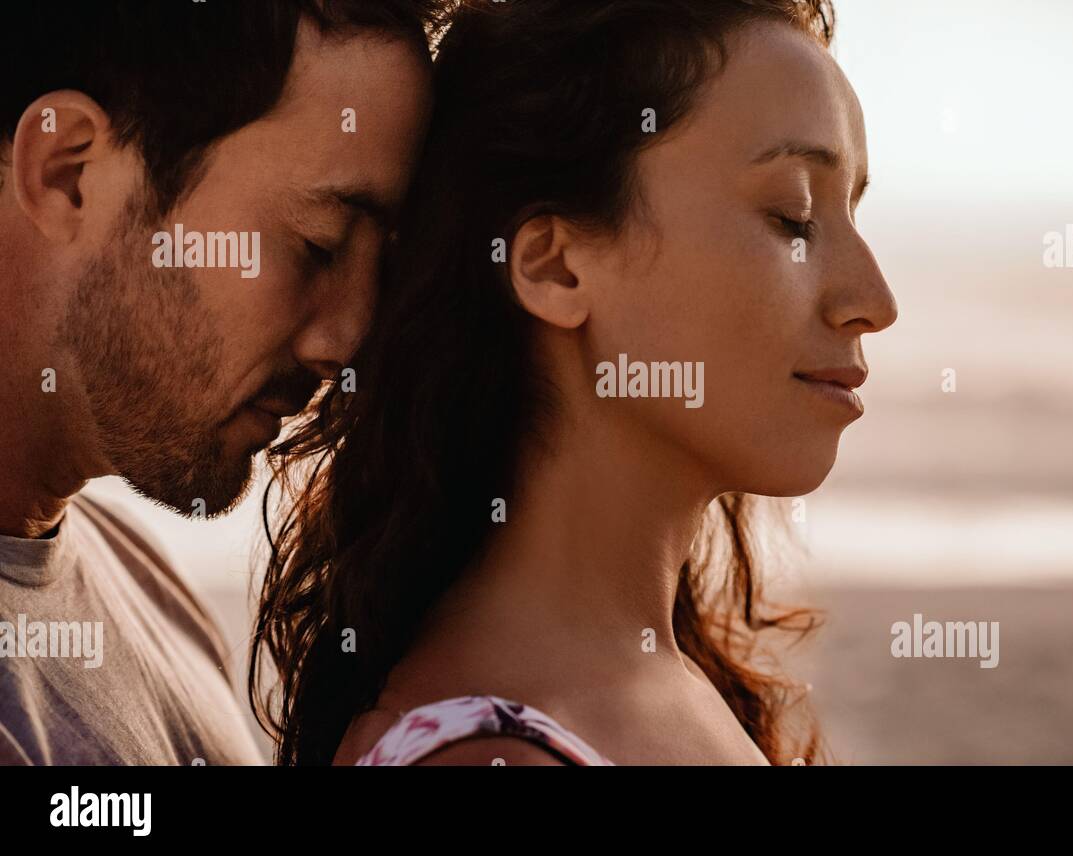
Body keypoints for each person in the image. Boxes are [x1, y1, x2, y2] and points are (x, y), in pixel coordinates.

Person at [256, 0, 897, 766]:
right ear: (555, 266)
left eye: (852, 211)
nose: (874, 302)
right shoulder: (490, 756)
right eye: (793, 217)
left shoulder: (669, 678)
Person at [0, 1, 436, 765]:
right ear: (67, 172)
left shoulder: (143, 585)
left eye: (386, 266)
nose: (350, 341)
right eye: (319, 245)